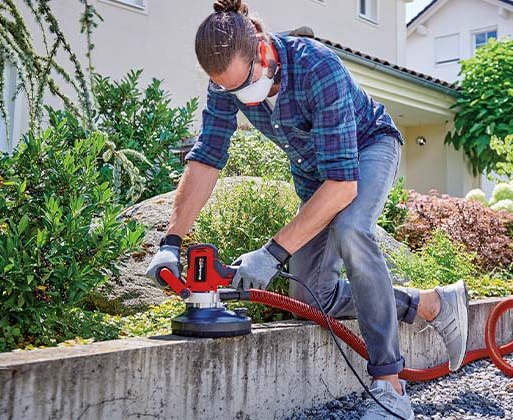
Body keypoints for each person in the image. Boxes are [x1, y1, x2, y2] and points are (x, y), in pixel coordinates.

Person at [145, 1, 469, 418]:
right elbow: (206, 159)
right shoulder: (226, 85)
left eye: (244, 84)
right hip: (317, 173)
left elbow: (343, 186)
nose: (240, 97)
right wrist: (170, 243)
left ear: (262, 49)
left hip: (368, 147)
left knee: (352, 228)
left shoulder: (317, 67)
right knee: (313, 296)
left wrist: (271, 254)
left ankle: (391, 388)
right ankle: (432, 305)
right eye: (229, 90)